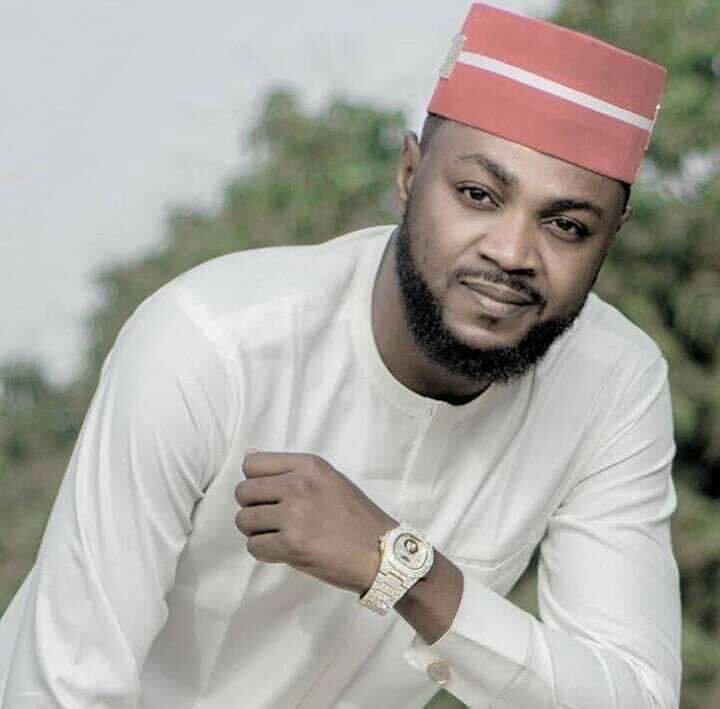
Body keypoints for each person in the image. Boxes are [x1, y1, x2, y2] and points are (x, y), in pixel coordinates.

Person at [0, 3, 681, 708]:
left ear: (611, 237)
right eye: (478, 195)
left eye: (565, 225)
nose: (511, 253)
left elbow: (631, 695)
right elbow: (63, 690)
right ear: (409, 173)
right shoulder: (211, 346)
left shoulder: (612, 385)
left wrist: (404, 570)